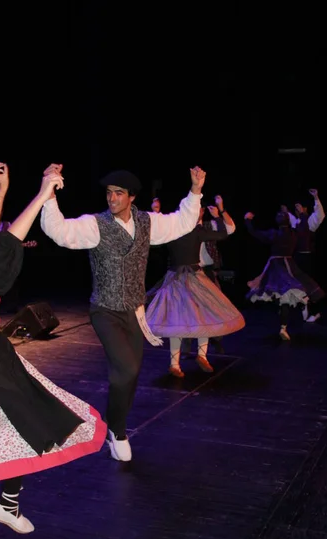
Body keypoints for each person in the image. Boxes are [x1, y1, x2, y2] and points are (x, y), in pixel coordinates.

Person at [0, 166, 107, 539]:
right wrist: (43, 193)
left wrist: (3, 189)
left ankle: (7, 504)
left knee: (23, 421)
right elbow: (5, 242)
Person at [40, 164, 206, 462]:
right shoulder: (95, 225)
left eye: (118, 194)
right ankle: (117, 433)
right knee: (126, 369)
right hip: (104, 310)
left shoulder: (146, 223)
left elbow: (182, 222)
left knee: (130, 375)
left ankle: (116, 427)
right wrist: (49, 192)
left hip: (133, 312)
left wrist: (195, 191)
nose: (111, 199)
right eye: (108, 193)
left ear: (132, 197)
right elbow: (59, 231)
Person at [146, 205, 245, 377]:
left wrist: (156, 213)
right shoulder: (192, 231)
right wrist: (219, 217)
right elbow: (224, 234)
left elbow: (153, 238)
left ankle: (183, 361)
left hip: (181, 276)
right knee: (193, 317)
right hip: (186, 277)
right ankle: (189, 359)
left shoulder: (174, 231)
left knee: (186, 318)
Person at [244, 210, 324, 341]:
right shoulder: (293, 233)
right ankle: (287, 322)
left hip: (277, 266)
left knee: (284, 296)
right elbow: (304, 229)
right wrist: (303, 215)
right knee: (288, 295)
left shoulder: (275, 234)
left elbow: (255, 233)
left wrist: (248, 221)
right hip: (289, 265)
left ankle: (289, 319)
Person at [182, 194, 235, 356]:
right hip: (188, 272)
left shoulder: (209, 225)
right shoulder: (183, 227)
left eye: (198, 208)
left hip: (206, 271)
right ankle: (187, 345)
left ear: (202, 211)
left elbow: (230, 229)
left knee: (212, 306)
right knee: (188, 308)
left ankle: (216, 340)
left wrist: (220, 210)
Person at [281, 188, 325, 322]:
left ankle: (316, 311)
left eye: (300, 208)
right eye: (296, 208)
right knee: (297, 284)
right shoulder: (297, 222)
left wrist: (316, 198)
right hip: (297, 258)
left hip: (307, 258)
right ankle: (302, 306)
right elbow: (292, 219)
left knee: (310, 284)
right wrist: (286, 212)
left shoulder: (310, 221)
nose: (298, 210)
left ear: (305, 209)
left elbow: (320, 215)